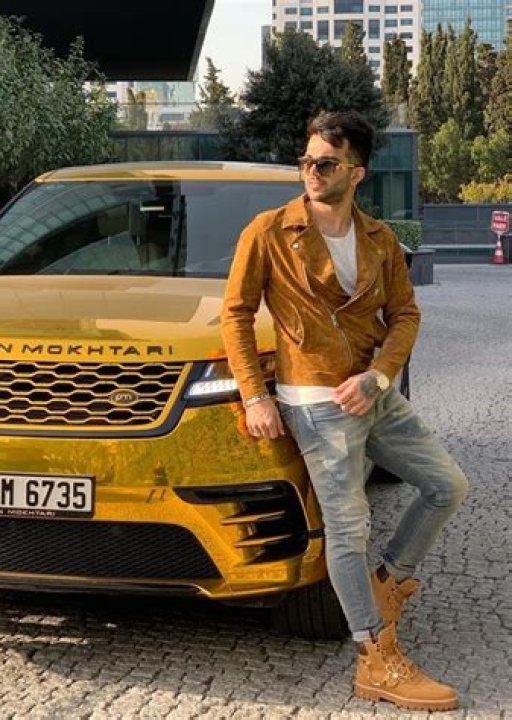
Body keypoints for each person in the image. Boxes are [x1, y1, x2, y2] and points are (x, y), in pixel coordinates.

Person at [221, 110, 468, 712]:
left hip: (373, 391)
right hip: (314, 400)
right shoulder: (269, 231)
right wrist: (255, 395)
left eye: (326, 163)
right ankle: (374, 657)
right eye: (307, 160)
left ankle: (386, 584)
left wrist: (380, 374)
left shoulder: (379, 239)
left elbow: (405, 314)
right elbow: (236, 314)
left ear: (356, 172)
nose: (312, 171)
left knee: (447, 486)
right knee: (349, 527)